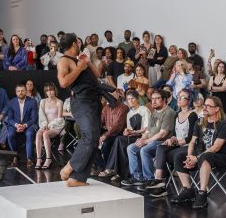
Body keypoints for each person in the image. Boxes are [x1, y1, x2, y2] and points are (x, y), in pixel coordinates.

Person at [169, 96, 226, 209]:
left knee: (206, 156)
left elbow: (216, 148)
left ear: (217, 109)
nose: (205, 108)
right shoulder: (199, 122)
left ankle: (202, 193)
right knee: (179, 156)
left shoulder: (225, 124)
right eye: (204, 105)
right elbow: (192, 142)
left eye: (208, 106)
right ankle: (188, 190)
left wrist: (197, 158)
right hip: (201, 155)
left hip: (221, 157)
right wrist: (190, 156)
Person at [57, 33, 105, 187]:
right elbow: (63, 82)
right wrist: (79, 67)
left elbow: (97, 75)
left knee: (94, 139)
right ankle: (70, 167)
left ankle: (77, 178)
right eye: (78, 42)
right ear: (73, 44)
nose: (80, 45)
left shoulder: (80, 60)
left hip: (93, 101)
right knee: (89, 136)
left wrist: (87, 61)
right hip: (82, 102)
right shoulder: (64, 60)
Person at [122, 90, 176, 188]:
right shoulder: (154, 112)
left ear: (164, 100)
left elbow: (163, 134)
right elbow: (148, 131)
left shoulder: (169, 112)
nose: (154, 101)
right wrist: (142, 139)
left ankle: (149, 179)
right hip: (151, 140)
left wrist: (146, 141)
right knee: (131, 148)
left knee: (145, 150)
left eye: (157, 98)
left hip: (163, 143)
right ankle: (138, 178)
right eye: (152, 99)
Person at [98, 90, 149, 180]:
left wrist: (133, 132)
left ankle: (111, 168)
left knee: (119, 140)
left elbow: (147, 128)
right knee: (120, 141)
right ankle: (118, 171)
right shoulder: (129, 113)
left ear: (137, 99)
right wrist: (127, 131)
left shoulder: (144, 109)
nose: (130, 101)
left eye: (132, 98)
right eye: (128, 99)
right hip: (132, 136)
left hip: (143, 137)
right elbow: (129, 129)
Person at [2, 83, 39, 165]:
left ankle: (29, 159)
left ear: (25, 91)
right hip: (15, 125)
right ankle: (15, 156)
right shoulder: (11, 102)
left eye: (22, 91)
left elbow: (34, 119)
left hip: (28, 124)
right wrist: (16, 125)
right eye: (18, 91)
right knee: (10, 135)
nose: (20, 92)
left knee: (29, 134)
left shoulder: (32, 102)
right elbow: (10, 119)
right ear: (16, 92)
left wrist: (25, 125)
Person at [35, 84, 65, 169]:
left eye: (51, 90)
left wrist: (50, 125)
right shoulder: (43, 101)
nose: (49, 92)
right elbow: (41, 115)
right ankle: (39, 159)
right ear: (45, 92)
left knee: (45, 134)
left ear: (55, 90)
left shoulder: (59, 102)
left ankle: (48, 158)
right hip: (45, 125)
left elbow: (59, 119)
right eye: (47, 90)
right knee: (38, 134)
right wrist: (44, 125)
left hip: (56, 126)